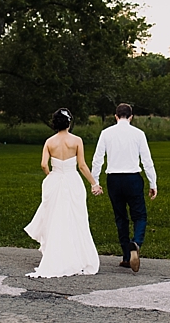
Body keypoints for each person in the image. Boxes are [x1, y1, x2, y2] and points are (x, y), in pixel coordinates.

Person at [23, 108, 100, 278]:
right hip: (73, 180)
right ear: (69, 122)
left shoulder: (49, 142)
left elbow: (44, 164)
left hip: (55, 180)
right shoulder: (77, 140)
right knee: (75, 218)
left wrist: (51, 175)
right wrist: (94, 183)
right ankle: (77, 255)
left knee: (54, 217)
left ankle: (55, 253)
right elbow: (82, 166)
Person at [90, 102, 157, 272]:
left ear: (116, 116)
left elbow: (98, 158)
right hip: (133, 178)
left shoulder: (106, 133)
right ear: (131, 117)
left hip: (114, 179)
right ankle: (136, 243)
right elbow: (147, 160)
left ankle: (127, 257)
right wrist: (152, 182)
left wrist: (95, 181)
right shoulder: (138, 134)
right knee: (140, 215)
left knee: (121, 218)